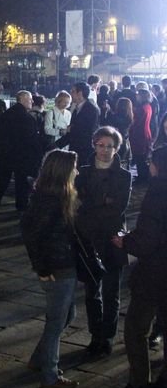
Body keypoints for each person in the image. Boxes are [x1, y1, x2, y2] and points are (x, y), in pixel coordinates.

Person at [20, 149, 80, 388]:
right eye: (74, 168)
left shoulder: (52, 195)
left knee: (67, 315)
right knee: (56, 321)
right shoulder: (51, 200)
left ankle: (39, 359)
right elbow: (32, 234)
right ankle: (50, 375)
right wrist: (42, 268)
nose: (77, 171)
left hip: (62, 263)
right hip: (57, 266)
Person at [112, 146, 167, 388]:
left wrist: (126, 241)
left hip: (156, 273)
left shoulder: (158, 191)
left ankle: (139, 384)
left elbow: (148, 239)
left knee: (136, 328)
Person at [76, 127, 132, 357]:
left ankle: (107, 336)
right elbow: (79, 205)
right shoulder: (83, 173)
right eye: (101, 145)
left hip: (112, 239)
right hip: (89, 239)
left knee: (111, 292)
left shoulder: (124, 175)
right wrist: (103, 200)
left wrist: (93, 201)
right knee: (91, 292)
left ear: (116, 149)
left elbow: (118, 208)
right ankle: (95, 334)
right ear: (94, 145)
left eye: (110, 146)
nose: (105, 150)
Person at [0, 90, 42, 212]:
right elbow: (32, 140)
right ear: (22, 99)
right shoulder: (27, 118)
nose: (32, 101)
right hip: (21, 155)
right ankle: (21, 206)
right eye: (30, 99)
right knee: (21, 182)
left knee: (1, 181)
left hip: (5, 154)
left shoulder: (7, 114)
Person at [57, 82, 100, 165]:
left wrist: (71, 129)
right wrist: (57, 145)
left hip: (84, 151)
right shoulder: (77, 109)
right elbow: (71, 132)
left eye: (73, 91)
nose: (71, 94)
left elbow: (89, 131)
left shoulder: (92, 109)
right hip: (75, 150)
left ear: (80, 93)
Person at [129, 88, 152, 183]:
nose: (136, 96)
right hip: (145, 132)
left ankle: (142, 178)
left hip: (139, 135)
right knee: (142, 157)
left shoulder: (141, 109)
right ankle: (142, 176)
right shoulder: (148, 106)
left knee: (139, 157)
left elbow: (135, 122)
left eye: (138, 94)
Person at [107, 97, 133, 166]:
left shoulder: (116, 117)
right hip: (125, 140)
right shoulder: (129, 116)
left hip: (116, 140)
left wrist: (108, 112)